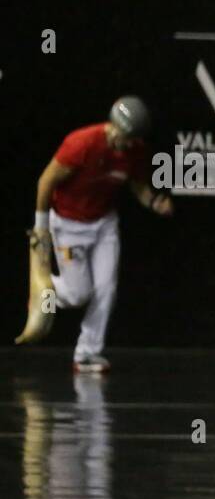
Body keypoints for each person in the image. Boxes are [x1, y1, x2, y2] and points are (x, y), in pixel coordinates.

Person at [30, 97, 173, 373]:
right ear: (113, 126)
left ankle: (86, 354)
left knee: (106, 288)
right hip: (68, 225)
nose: (129, 144)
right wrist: (40, 226)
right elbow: (46, 182)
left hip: (104, 225)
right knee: (77, 294)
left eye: (134, 139)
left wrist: (154, 203)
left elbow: (138, 185)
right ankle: (43, 291)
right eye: (127, 137)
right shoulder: (81, 143)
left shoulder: (135, 151)